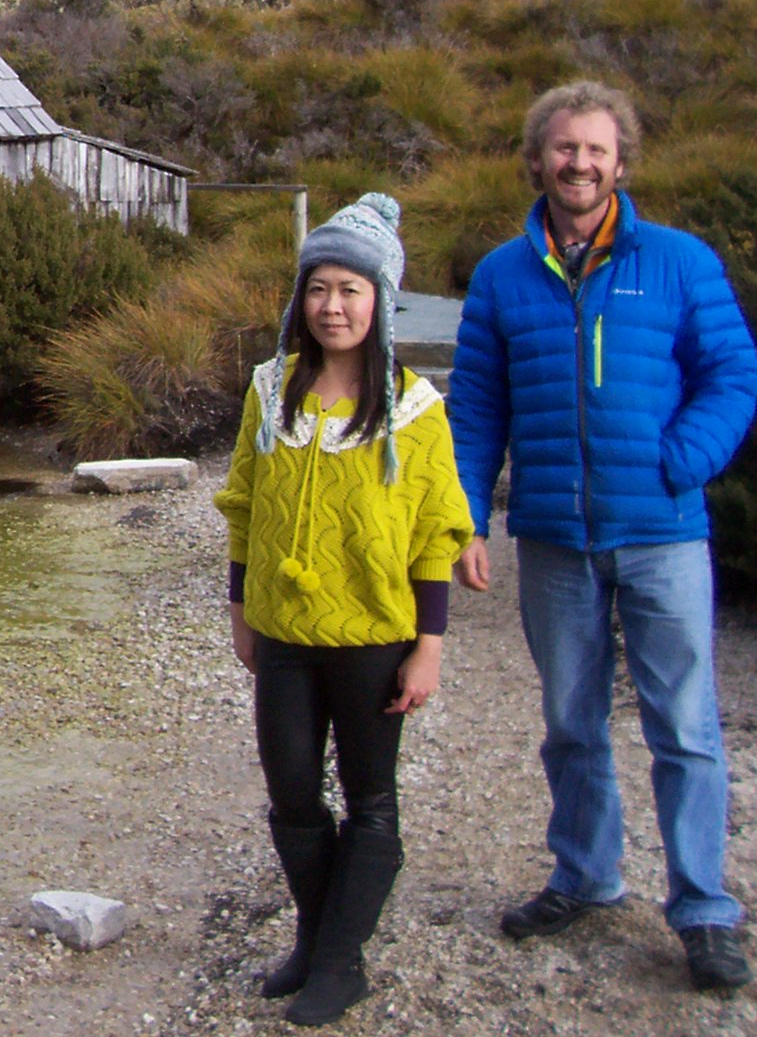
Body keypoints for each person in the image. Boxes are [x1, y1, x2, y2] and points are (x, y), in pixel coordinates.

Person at [450, 80, 757, 993]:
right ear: (538, 159)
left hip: (663, 531)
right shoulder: (502, 275)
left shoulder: (678, 261)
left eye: (595, 150)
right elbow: (475, 408)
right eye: (563, 148)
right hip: (552, 537)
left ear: (620, 162)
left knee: (685, 727)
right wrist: (467, 516)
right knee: (570, 723)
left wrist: (680, 461)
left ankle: (705, 909)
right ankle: (587, 876)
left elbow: (732, 375)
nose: (578, 164)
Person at [214, 192, 474, 1027]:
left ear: (380, 301)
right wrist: (240, 608)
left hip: (373, 635)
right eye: (319, 288)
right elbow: (244, 505)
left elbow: (436, 532)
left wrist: (427, 645)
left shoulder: (414, 408)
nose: (332, 306)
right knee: (293, 792)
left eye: (350, 291)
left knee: (370, 797)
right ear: (302, 297)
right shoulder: (270, 389)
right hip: (284, 633)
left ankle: (339, 961)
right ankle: (316, 937)